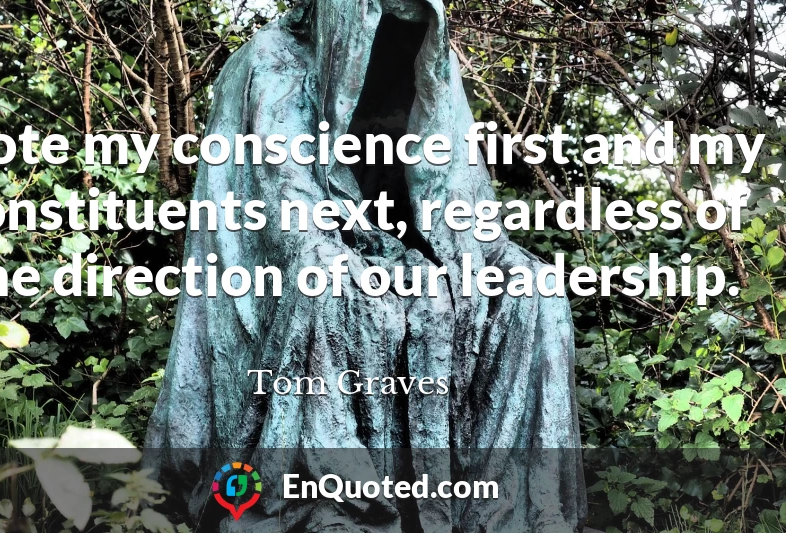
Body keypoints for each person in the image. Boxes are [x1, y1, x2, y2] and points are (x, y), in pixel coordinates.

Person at [145, 0, 587, 530]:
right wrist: (373, 261)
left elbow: (461, 197)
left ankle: (504, 508)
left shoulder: (435, 63)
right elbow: (288, 210)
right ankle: (336, 507)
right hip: (303, 260)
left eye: (411, 28)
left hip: (404, 248)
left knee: (534, 289)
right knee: (332, 286)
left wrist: (468, 260)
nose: (396, 42)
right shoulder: (272, 61)